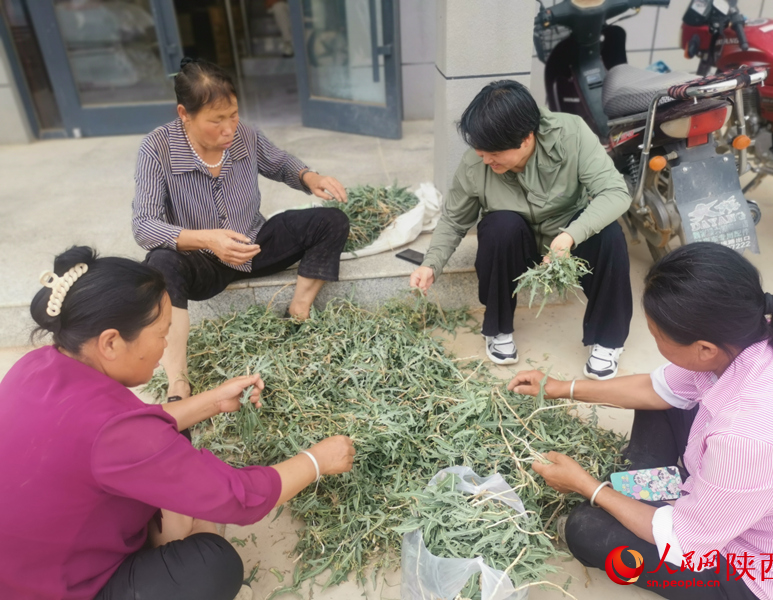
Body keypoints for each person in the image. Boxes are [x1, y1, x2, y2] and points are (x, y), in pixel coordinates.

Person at [0, 247, 355, 600]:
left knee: (175, 453)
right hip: (57, 588)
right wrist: (318, 460)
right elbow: (240, 499)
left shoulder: (36, 365)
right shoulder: (116, 432)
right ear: (110, 342)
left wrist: (213, 401)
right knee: (211, 567)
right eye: (161, 333)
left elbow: (125, 433)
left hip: (25, 564)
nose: (165, 346)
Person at [508, 242, 773, 599]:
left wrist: (587, 486)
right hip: (740, 491)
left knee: (587, 530)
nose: (655, 342)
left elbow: (684, 540)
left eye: (658, 336)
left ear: (705, 348)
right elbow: (655, 388)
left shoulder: (747, 437)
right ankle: (648, 490)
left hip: (760, 568)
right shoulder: (751, 334)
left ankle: (641, 497)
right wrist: (557, 387)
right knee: (661, 403)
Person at [133, 57, 350, 405]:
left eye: (232, 115)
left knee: (331, 220)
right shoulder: (156, 148)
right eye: (216, 120)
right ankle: (178, 384)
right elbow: (144, 224)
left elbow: (279, 162)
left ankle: (299, 309)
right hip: (201, 260)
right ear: (184, 114)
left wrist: (312, 178)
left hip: (253, 244)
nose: (228, 129)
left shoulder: (244, 135)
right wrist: (208, 239)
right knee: (159, 263)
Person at [410, 80, 632, 378]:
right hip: (517, 246)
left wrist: (570, 236)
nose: (486, 160)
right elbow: (453, 220)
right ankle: (498, 329)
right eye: (480, 152)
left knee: (610, 235)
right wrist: (431, 264)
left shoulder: (572, 134)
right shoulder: (476, 163)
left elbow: (616, 193)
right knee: (499, 227)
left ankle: (607, 341)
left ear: (527, 138)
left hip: (567, 241)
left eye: (494, 153)